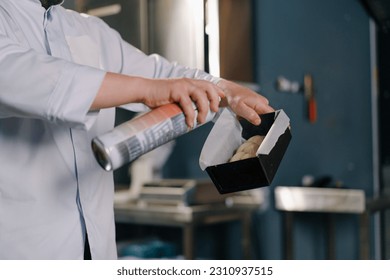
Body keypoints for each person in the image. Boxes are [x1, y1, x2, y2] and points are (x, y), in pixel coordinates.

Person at [0, 0, 273, 259]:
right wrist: (146, 89)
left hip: (97, 253)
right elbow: (24, 73)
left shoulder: (89, 31)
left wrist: (225, 89)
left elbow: (162, 74)